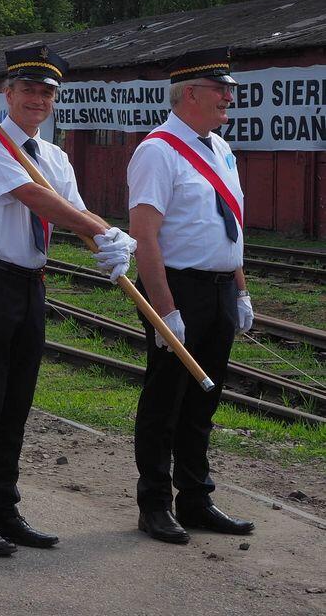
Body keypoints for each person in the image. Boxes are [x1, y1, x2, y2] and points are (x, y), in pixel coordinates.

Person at [0, 45, 136, 557]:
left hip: (31, 284)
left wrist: (108, 240)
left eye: (46, 93)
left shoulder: (55, 158)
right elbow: (36, 199)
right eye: (28, 90)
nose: (37, 99)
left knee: (18, 400)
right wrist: (102, 228)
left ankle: (4, 509)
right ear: (8, 93)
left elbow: (73, 211)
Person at [127, 47, 254, 545]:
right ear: (191, 93)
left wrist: (241, 290)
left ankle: (196, 499)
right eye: (220, 89)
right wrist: (166, 311)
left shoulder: (220, 148)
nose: (228, 98)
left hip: (220, 289)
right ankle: (155, 504)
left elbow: (230, 226)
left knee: (205, 399)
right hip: (179, 288)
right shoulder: (158, 151)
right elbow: (145, 236)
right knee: (166, 399)